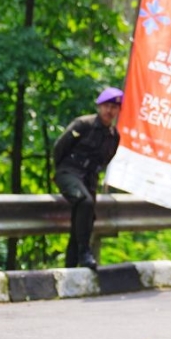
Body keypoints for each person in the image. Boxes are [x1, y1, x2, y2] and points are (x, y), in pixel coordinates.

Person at [53, 87, 123, 269]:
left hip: (89, 178)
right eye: (107, 106)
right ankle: (85, 252)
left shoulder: (114, 136)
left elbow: (106, 160)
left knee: (85, 220)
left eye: (115, 107)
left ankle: (70, 267)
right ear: (99, 106)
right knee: (84, 203)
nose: (110, 111)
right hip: (68, 172)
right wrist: (62, 171)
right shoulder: (84, 124)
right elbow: (59, 148)